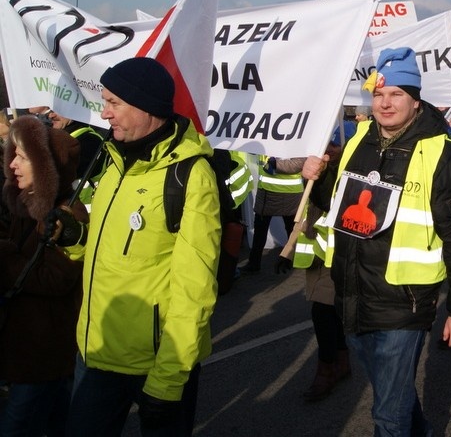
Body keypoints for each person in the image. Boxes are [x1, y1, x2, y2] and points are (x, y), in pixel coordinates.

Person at [302, 47, 451, 435]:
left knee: (386, 415)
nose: (385, 103)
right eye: (379, 94)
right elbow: (335, 207)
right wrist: (313, 178)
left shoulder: (442, 155)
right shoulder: (358, 139)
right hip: (351, 293)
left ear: (416, 101)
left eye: (397, 94)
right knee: (392, 394)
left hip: (405, 303)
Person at [60, 57, 221, 436]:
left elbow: (194, 291)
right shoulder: (113, 158)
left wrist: (167, 380)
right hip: (96, 351)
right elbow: (110, 248)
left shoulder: (190, 176)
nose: (105, 113)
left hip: (156, 362)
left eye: (113, 102)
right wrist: (73, 239)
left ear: (146, 106)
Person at [0, 115, 87, 436]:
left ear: (46, 167)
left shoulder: (67, 214)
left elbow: (57, 278)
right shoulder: (22, 204)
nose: (13, 165)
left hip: (44, 350)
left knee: (16, 426)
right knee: (57, 420)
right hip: (27, 344)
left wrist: (5, 257)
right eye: (14, 155)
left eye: (23, 157)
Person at [277, 122, 358, 403]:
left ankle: (326, 370)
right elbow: (305, 211)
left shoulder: (349, 168)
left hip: (340, 253)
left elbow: (327, 202)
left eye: (334, 145)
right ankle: (342, 360)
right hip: (318, 251)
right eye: (326, 145)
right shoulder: (316, 165)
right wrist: (286, 251)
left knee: (322, 313)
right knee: (328, 313)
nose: (329, 151)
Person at [244, 154, 304, 273]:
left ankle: (293, 260)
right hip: (267, 191)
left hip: (290, 193)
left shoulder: (297, 138)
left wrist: (275, 164)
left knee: (292, 230)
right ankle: (253, 264)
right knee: (260, 231)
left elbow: (299, 163)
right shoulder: (268, 137)